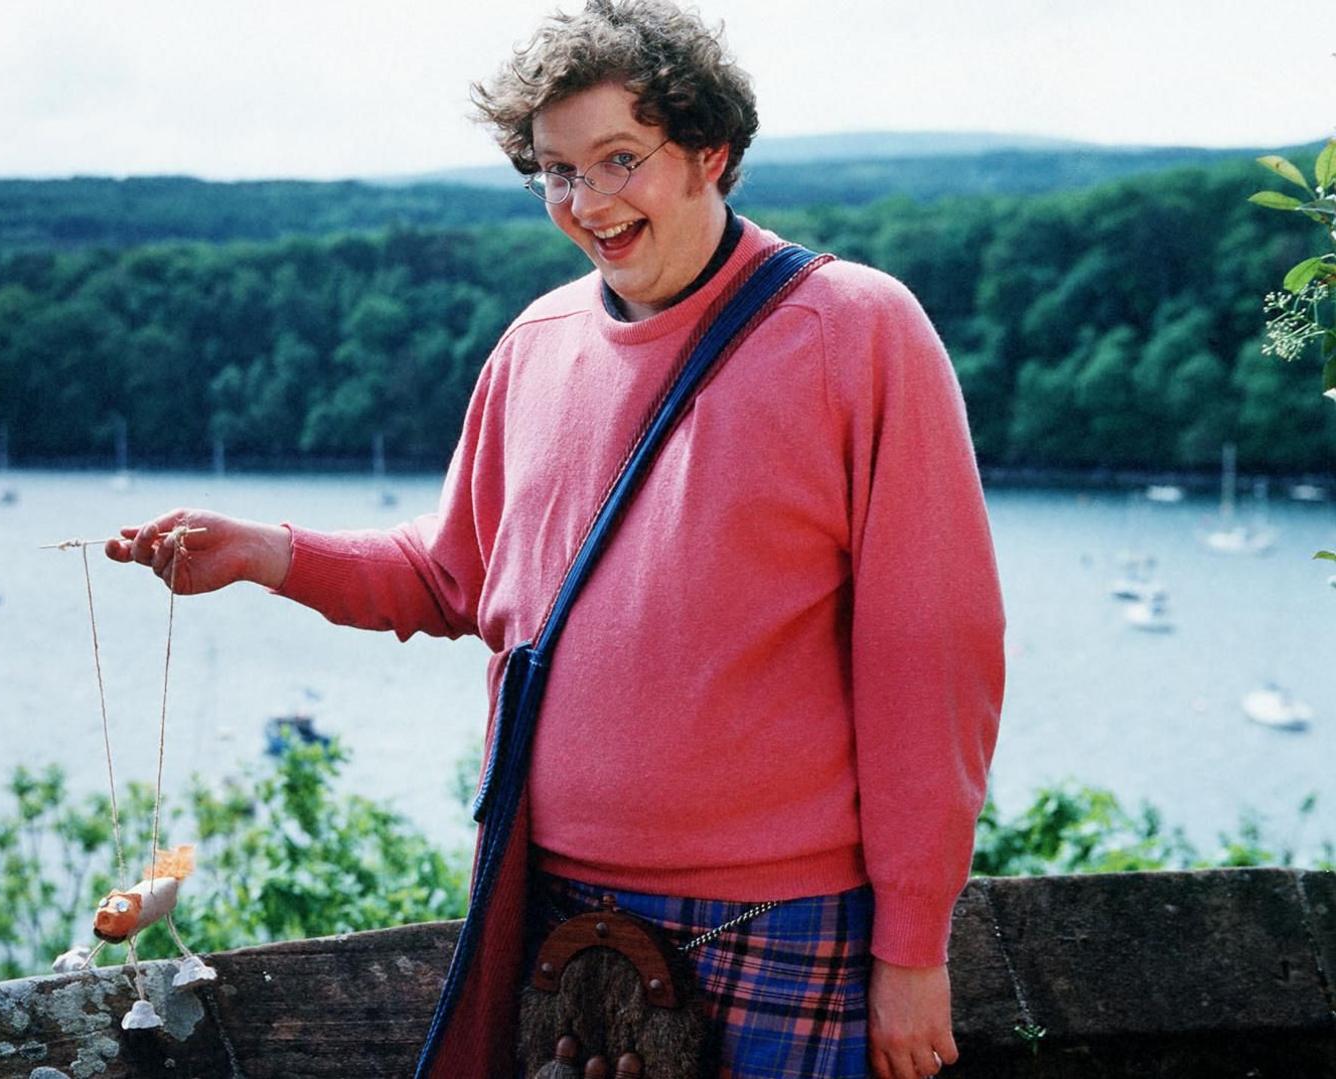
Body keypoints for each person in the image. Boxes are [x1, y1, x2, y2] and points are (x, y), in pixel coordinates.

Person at [107, 2, 1004, 1076]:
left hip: (786, 914)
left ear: (711, 150)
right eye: (556, 171)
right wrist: (267, 552)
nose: (587, 203)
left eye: (620, 159)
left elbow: (931, 660)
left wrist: (911, 948)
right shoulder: (533, 347)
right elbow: (451, 578)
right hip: (552, 910)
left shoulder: (857, 332)